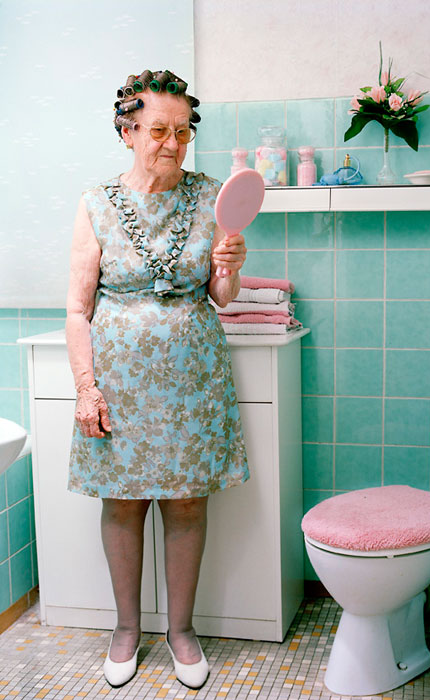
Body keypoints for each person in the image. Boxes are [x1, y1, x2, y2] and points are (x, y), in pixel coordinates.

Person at [65, 69, 250, 690]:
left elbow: (222, 296)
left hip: (193, 379)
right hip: (118, 382)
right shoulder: (96, 203)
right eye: (158, 131)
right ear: (128, 132)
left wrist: (230, 267)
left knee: (187, 501)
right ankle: (126, 628)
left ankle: (181, 630)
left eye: (183, 132)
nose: (173, 143)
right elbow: (77, 309)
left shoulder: (212, 195)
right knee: (123, 502)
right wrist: (86, 388)